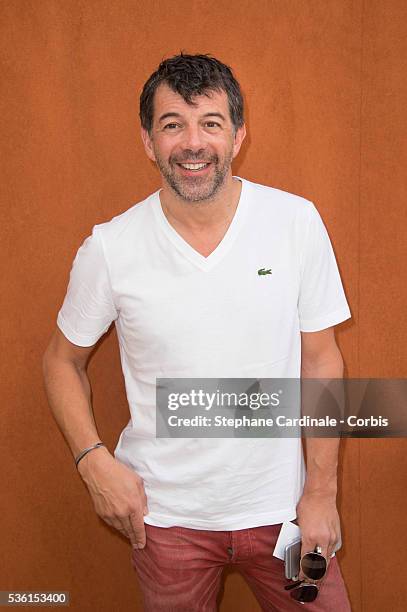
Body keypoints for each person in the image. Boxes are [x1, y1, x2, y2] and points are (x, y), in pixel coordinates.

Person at [42, 53, 352, 611]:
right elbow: (62, 361)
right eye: (172, 124)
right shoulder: (111, 247)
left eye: (210, 122)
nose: (192, 143)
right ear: (148, 141)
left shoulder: (295, 224)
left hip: (284, 515)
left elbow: (322, 361)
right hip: (166, 524)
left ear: (237, 135)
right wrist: (93, 462)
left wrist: (321, 492)